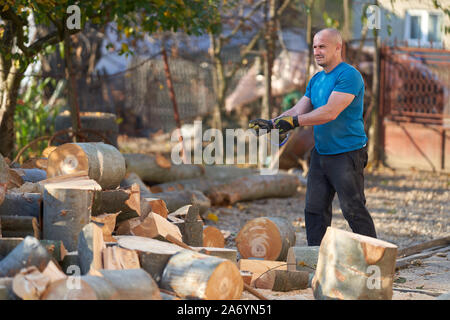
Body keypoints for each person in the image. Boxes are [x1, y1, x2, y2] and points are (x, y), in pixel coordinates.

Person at [249, 28, 377, 246]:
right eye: (315, 47)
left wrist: (294, 123)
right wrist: (271, 124)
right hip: (321, 153)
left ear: (338, 47)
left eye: (322, 46)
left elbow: (329, 112)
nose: (317, 51)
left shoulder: (349, 75)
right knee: (314, 210)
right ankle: (316, 260)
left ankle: (375, 259)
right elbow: (298, 110)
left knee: (353, 209)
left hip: (347, 153)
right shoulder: (317, 79)